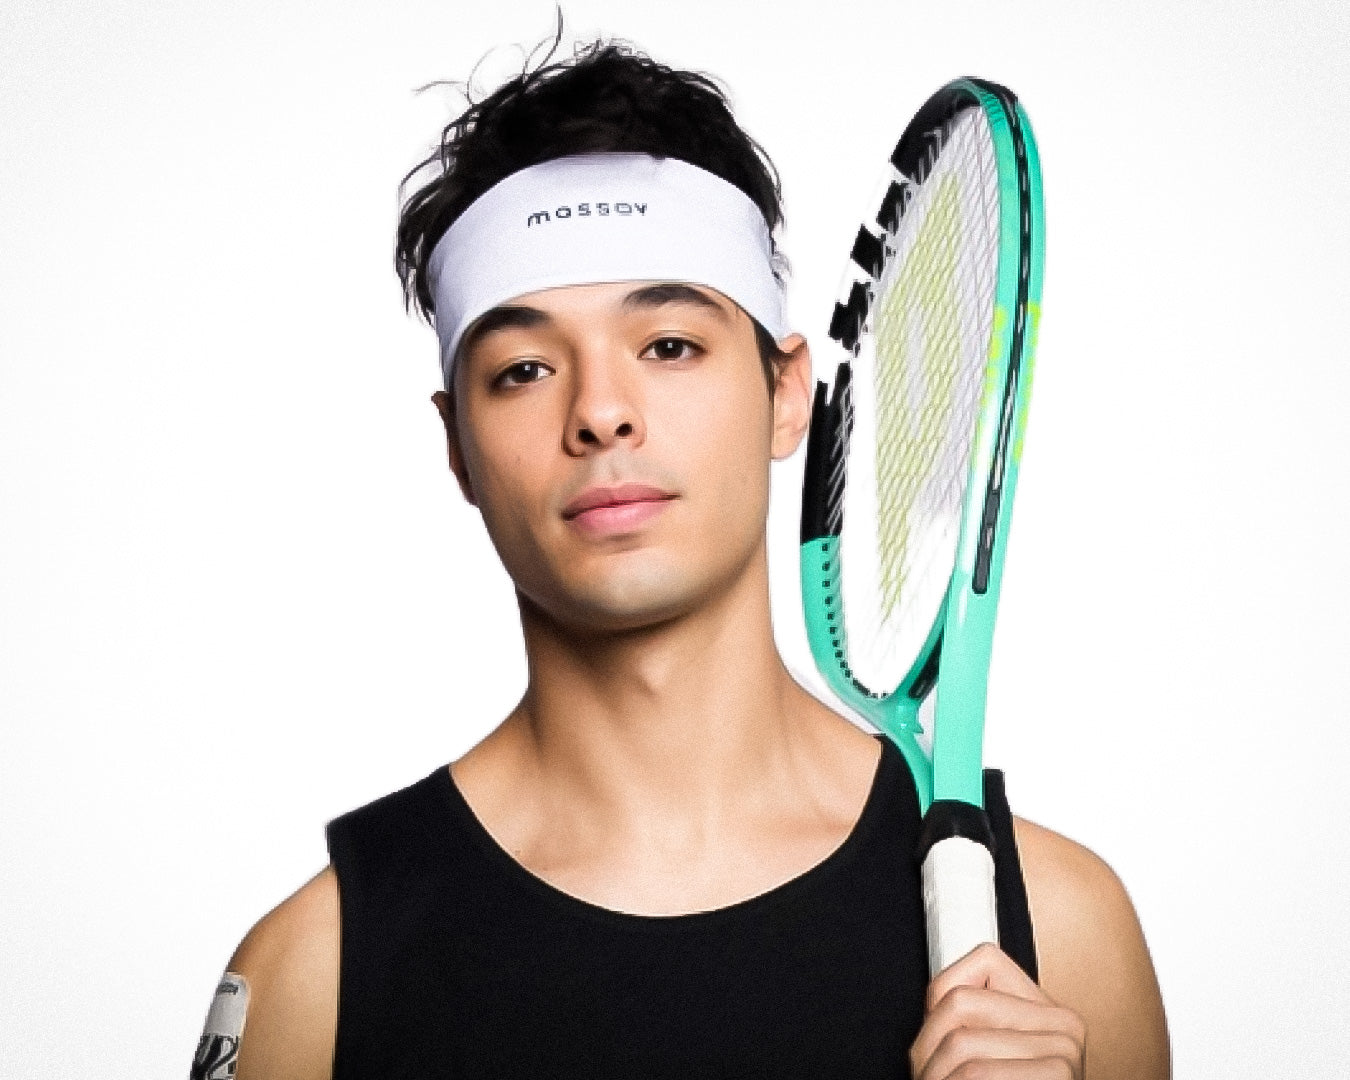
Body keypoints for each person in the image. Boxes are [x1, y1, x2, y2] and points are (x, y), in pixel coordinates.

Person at [197, 36, 1169, 1080]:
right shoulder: (314, 978)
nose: (601, 412)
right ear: (457, 447)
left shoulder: (1058, 935)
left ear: (786, 394)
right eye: (524, 369)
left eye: (668, 346)